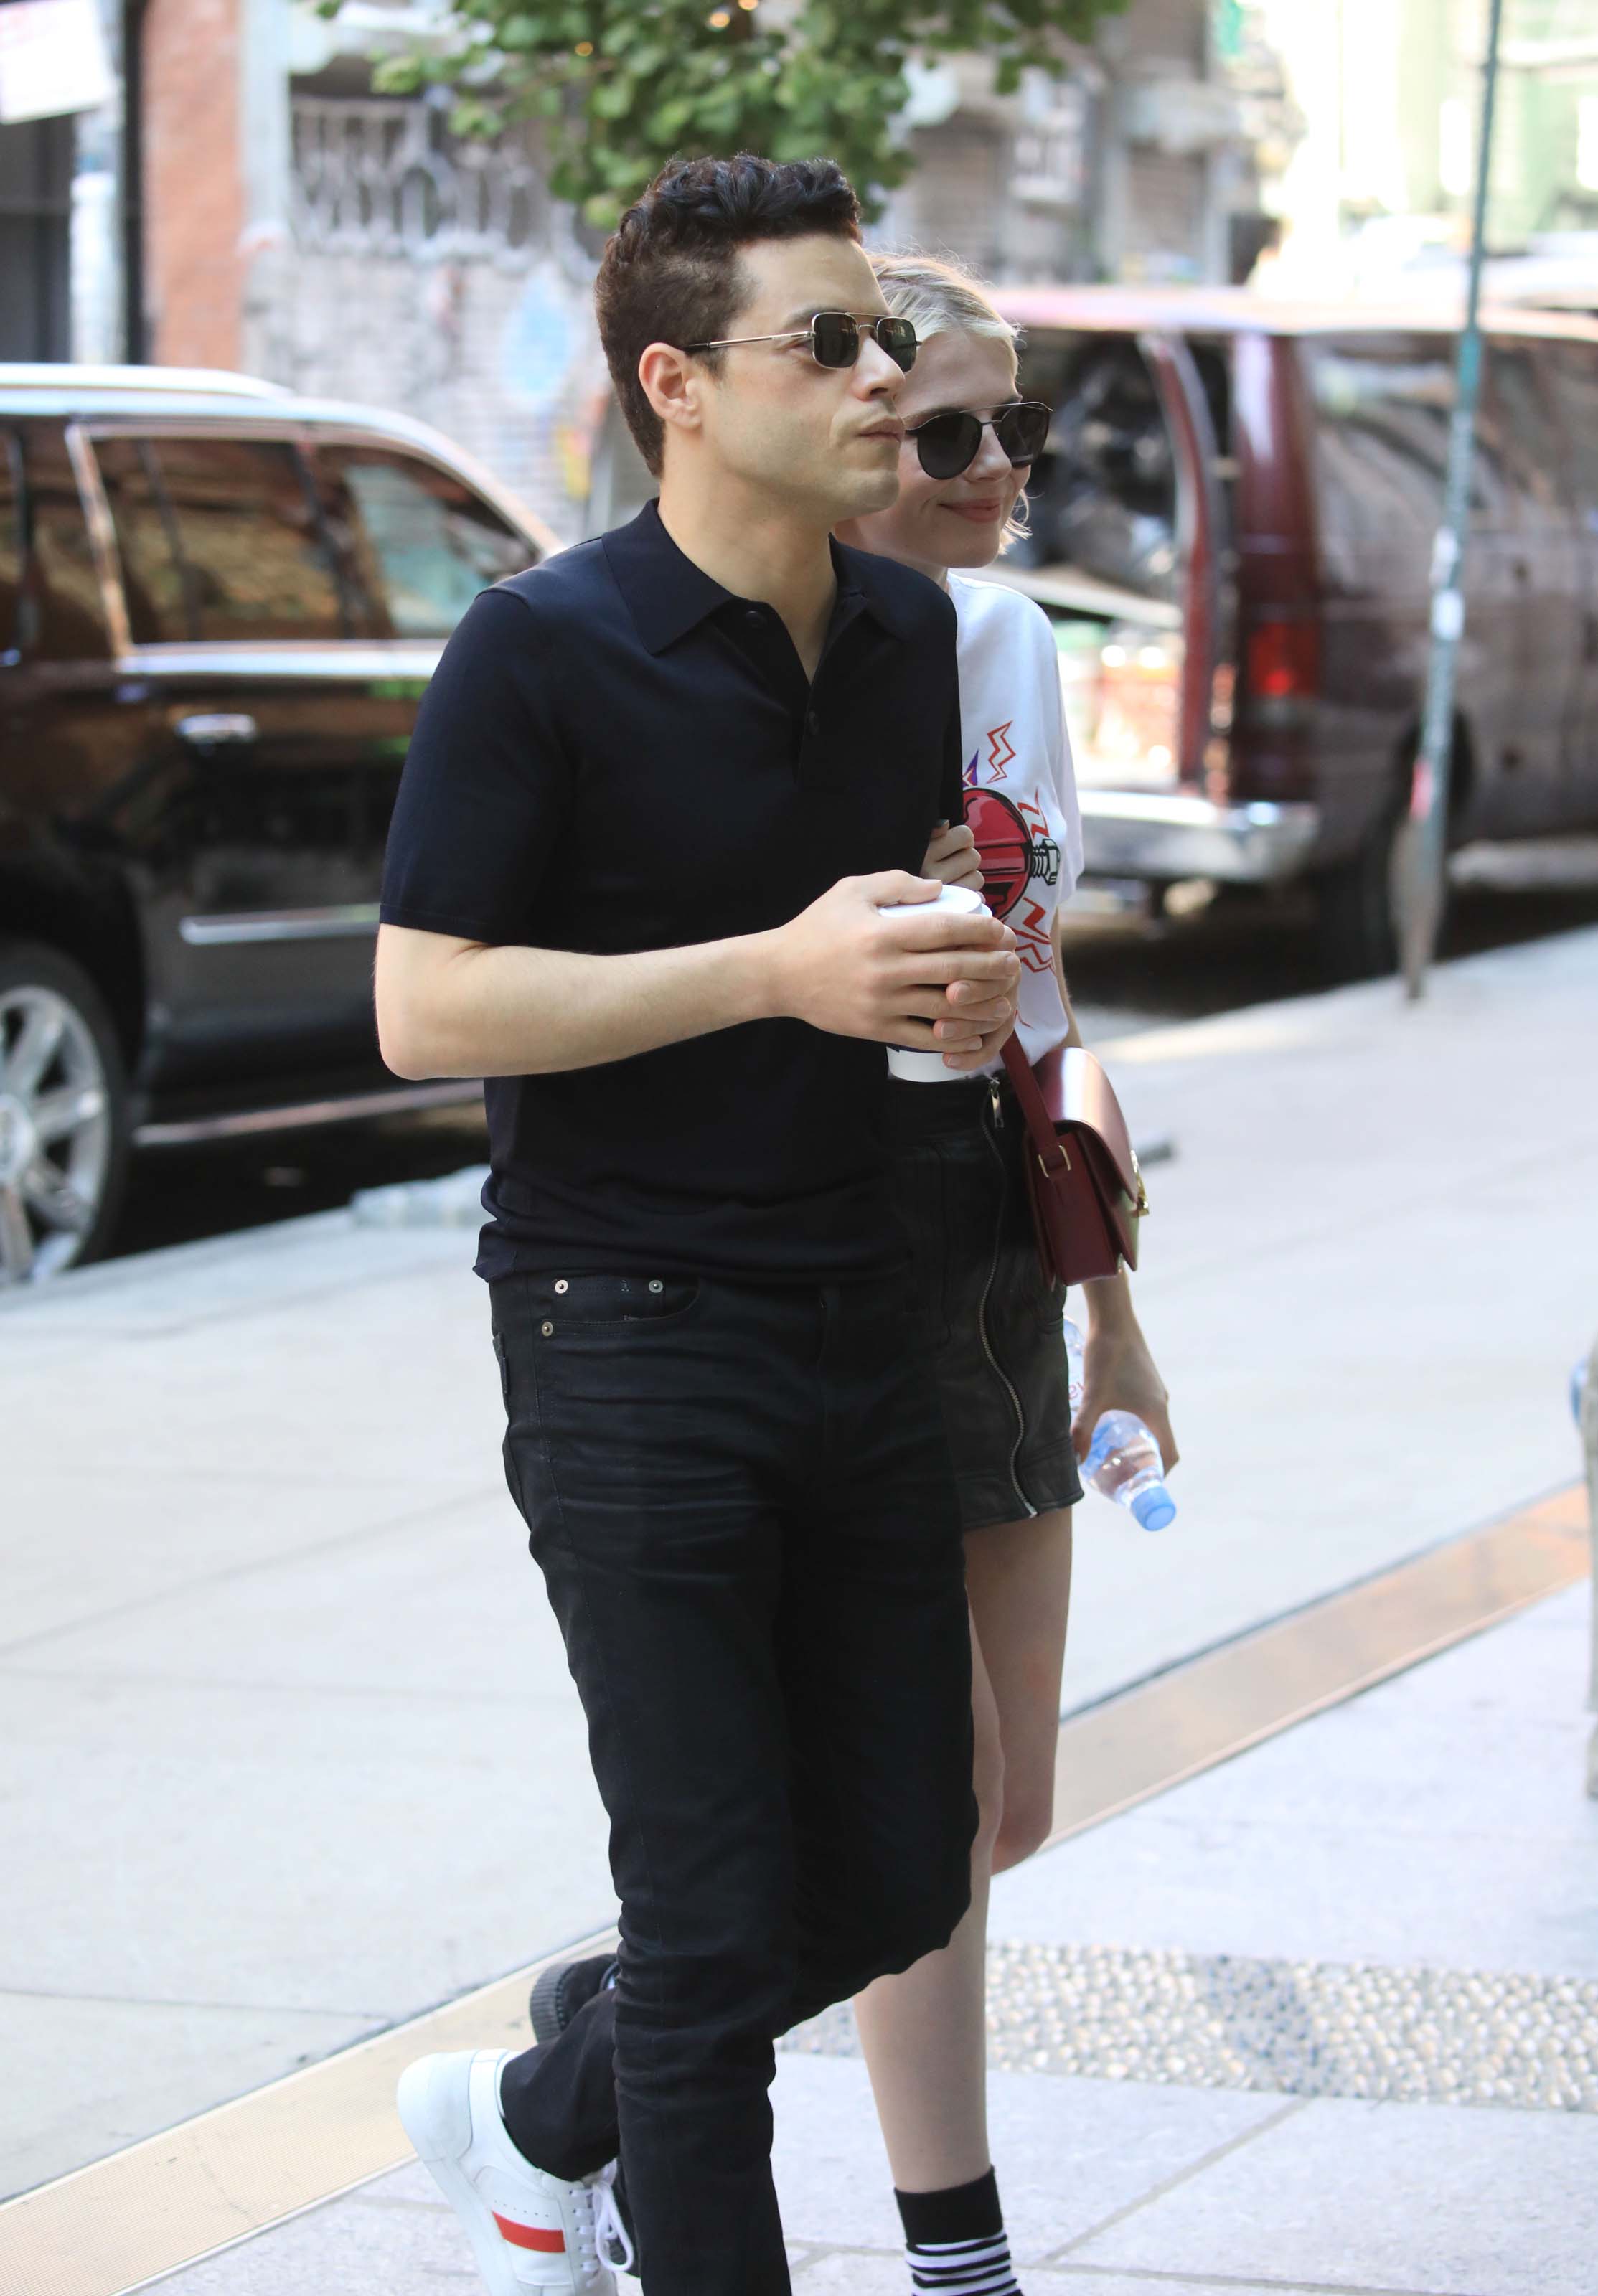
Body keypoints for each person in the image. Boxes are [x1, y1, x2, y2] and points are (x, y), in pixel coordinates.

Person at [372, 159, 1025, 2296]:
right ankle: (623, 2148)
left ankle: (551, 2106)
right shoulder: (538, 650)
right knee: (711, 1920)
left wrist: (956, 975)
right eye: (824, 343)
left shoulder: (912, 630)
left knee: (905, 1869)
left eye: (880, 335)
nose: (881, 375)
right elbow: (423, 1007)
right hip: (623, 1324)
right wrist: (776, 970)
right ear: (677, 382)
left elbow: (872, 947)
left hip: (865, 1297)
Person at [833, 253, 1179, 2296]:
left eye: (1013, 431)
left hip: (995, 1238)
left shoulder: (1010, 639)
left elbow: (1044, 995)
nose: (991, 471)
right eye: (946, 430)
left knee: (1001, 1810)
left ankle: (568, 2089)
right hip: (832, 1249)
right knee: (924, 1788)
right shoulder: (808, 661)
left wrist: (1114, 1299)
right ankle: (956, 2257)